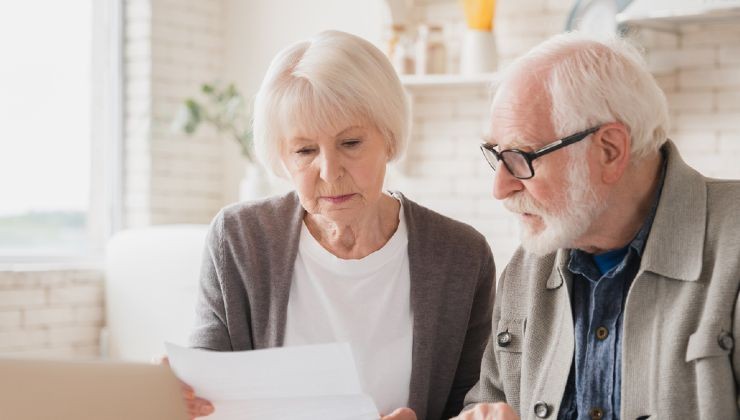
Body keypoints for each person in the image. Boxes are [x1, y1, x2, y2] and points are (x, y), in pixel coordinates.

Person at [181, 30, 495, 420]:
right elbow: (206, 380)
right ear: (281, 157)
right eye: (305, 150)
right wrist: (183, 390)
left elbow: (477, 402)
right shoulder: (238, 239)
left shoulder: (461, 255)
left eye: (350, 143)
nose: (329, 172)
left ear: (389, 138)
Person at [456, 31, 740, 419]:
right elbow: (488, 401)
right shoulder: (527, 269)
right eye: (496, 155)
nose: (500, 188)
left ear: (609, 150)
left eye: (521, 157)